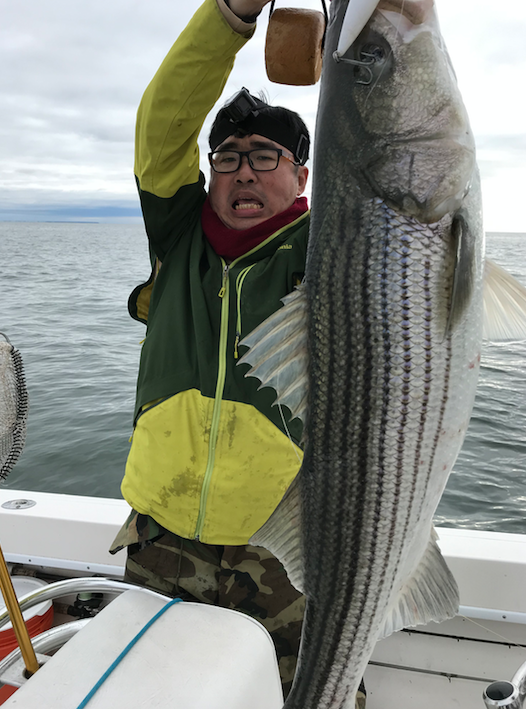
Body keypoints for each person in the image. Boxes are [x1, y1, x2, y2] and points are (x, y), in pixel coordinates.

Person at [110, 0, 367, 705]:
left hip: (287, 544)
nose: (244, 172)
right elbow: (162, 125)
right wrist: (230, 15)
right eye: (228, 156)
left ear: (304, 177)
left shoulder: (329, 252)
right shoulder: (178, 238)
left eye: (266, 157)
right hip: (164, 535)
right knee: (157, 692)